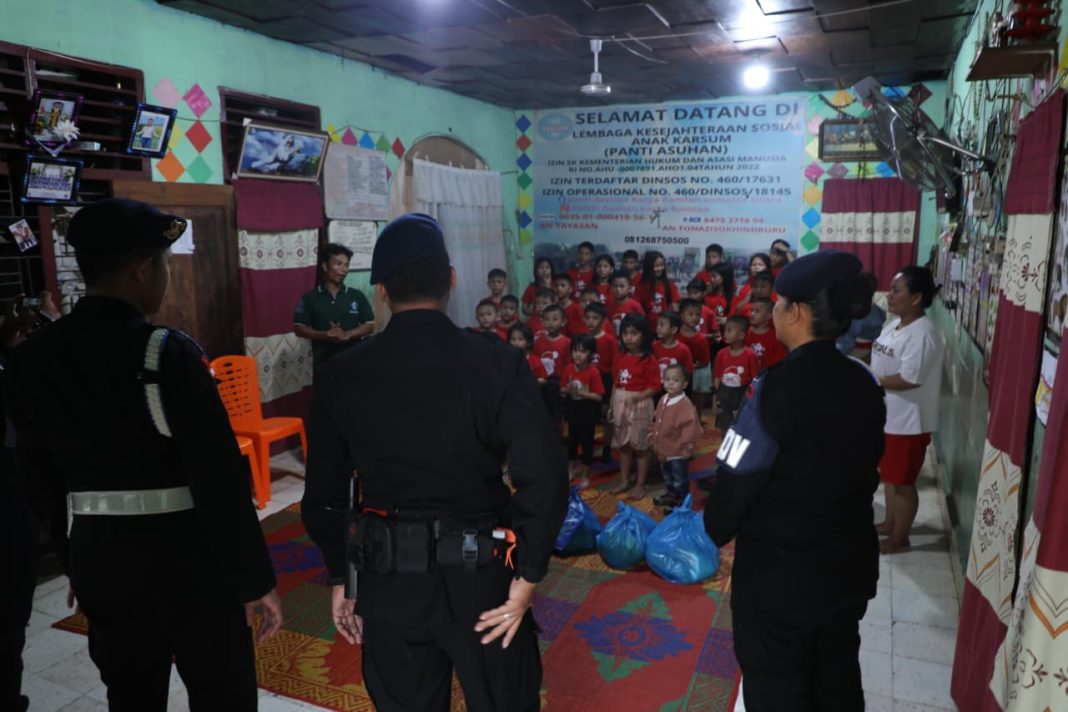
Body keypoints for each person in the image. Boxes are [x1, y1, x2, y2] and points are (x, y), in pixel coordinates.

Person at [5, 198, 282, 710]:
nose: (166, 277)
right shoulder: (166, 352)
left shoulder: (30, 360)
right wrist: (254, 581)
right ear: (141, 269)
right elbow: (219, 478)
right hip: (186, 558)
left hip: (100, 556)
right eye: (165, 264)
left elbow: (36, 476)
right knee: (221, 691)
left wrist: (73, 560)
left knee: (131, 691)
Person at [301, 212, 568, 712]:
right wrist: (527, 578)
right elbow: (546, 479)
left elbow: (324, 496)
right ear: (451, 278)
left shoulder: (342, 374)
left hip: (388, 582)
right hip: (483, 579)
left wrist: (342, 577)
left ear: (382, 291)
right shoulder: (498, 362)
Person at [704, 250, 885, 712]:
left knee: (778, 690)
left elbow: (737, 478)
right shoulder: (864, 382)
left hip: (781, 578)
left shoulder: (773, 389)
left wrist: (716, 526)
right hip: (846, 567)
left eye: (779, 304)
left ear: (797, 313)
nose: (774, 313)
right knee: (836, 683)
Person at [870, 266, 944, 554]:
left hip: (908, 422)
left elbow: (910, 379)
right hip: (889, 417)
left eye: (896, 290)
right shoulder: (895, 325)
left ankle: (900, 538)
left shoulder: (922, 334)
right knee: (890, 475)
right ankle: (890, 522)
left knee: (902, 481)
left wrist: (873, 380)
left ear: (916, 298)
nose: (890, 295)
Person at [294, 243, 375, 376]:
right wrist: (326, 335)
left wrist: (347, 334)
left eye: (346, 265)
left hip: (353, 363)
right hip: (323, 365)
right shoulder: (310, 297)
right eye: (338, 264)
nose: (344, 270)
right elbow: (299, 328)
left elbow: (370, 325)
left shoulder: (356, 295)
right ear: (325, 266)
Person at [609, 314, 660, 500]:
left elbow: (655, 386)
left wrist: (637, 397)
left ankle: (640, 484)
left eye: (634, 333)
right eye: (625, 333)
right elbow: (615, 382)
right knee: (623, 445)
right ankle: (624, 480)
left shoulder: (649, 360)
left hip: (640, 404)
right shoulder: (620, 356)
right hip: (620, 402)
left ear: (644, 336)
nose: (629, 338)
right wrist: (612, 404)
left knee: (641, 446)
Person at [650, 364, 702, 511]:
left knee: (680, 479)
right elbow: (657, 420)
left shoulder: (685, 404)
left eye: (676, 380)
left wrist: (687, 446)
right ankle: (671, 496)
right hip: (664, 448)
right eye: (667, 379)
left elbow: (690, 427)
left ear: (684, 384)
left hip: (678, 451)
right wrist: (653, 436)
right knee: (667, 476)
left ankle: (681, 504)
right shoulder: (663, 399)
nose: (670, 383)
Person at [560, 334, 604, 487]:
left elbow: (599, 396)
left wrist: (583, 393)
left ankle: (586, 473)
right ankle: (571, 469)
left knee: (587, 443)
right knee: (571, 442)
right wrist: (567, 390)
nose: (578, 355)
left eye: (583, 351)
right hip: (573, 410)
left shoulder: (593, 372)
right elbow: (562, 389)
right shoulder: (568, 368)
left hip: (588, 413)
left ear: (591, 354)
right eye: (575, 350)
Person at [713, 316, 758, 431]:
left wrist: (752, 400)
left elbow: (754, 379)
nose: (725, 334)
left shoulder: (750, 355)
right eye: (725, 330)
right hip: (724, 394)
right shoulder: (721, 354)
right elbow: (717, 376)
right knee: (724, 426)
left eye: (729, 331)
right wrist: (716, 398)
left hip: (741, 395)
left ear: (741, 335)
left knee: (740, 426)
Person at [584, 302, 616, 462]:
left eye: (595, 318)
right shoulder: (583, 338)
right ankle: (587, 447)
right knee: (588, 415)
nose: (590, 321)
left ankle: (607, 447)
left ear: (603, 320)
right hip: (586, 378)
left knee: (606, 414)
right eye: (588, 317)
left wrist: (613, 386)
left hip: (604, 378)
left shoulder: (609, 340)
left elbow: (614, 365)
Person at [837, 273, 886, 363]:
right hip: (871, 353)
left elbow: (847, 344)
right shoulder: (879, 311)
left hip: (853, 354)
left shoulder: (856, 315)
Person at [534, 304, 570, 425]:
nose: (550, 323)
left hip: (558, 382)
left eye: (555, 319)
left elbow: (569, 365)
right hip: (542, 381)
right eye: (547, 319)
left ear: (563, 321)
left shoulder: (567, 342)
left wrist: (565, 384)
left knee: (557, 414)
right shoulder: (538, 341)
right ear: (542, 321)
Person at [678, 299, 712, 416]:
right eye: (691, 314)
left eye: (698, 315)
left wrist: (692, 366)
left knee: (697, 395)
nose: (695, 318)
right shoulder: (675, 334)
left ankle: (697, 416)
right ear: (681, 315)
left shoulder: (701, 339)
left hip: (696, 370)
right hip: (678, 371)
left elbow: (705, 361)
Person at [635, 250, 680, 329]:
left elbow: (675, 307)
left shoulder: (669, 284)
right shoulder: (640, 286)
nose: (660, 268)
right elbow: (637, 310)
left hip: (666, 328)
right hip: (647, 327)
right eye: (656, 266)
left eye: (662, 265)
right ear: (649, 266)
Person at [746, 297, 787, 371]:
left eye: (757, 311)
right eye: (751, 310)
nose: (752, 314)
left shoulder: (775, 337)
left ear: (768, 316)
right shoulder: (745, 333)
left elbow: (779, 362)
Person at [653, 312, 694, 384]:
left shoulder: (683, 350)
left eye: (662, 325)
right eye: (657, 324)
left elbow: (688, 372)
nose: (658, 328)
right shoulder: (653, 346)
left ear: (673, 330)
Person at [607, 270, 644, 335]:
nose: (618, 289)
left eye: (622, 286)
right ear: (611, 288)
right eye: (615, 286)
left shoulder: (635, 306)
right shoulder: (608, 306)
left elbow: (643, 325)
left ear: (629, 288)